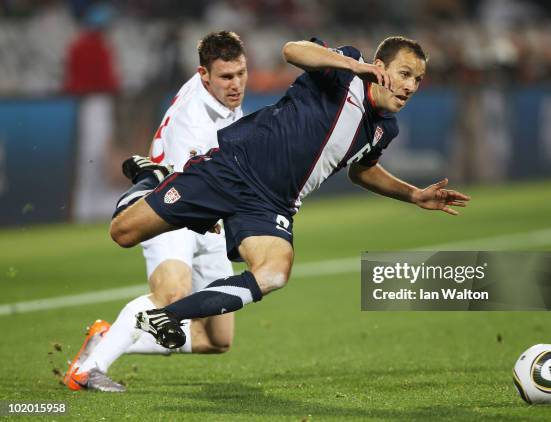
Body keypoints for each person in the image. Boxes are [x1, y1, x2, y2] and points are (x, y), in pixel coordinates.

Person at [110, 36, 471, 349]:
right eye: (404, 74)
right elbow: (293, 51)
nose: (410, 86)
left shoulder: (383, 129)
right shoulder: (345, 69)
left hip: (271, 205)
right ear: (380, 66)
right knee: (122, 233)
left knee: (274, 274)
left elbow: (363, 171)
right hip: (232, 168)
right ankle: (152, 176)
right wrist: (351, 65)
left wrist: (413, 195)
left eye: (418, 80)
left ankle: (164, 317)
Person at [64, 31, 248, 392]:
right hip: (171, 212)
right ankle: (87, 371)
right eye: (227, 76)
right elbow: (185, 192)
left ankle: (107, 337)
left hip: (209, 220)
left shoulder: (219, 93)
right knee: (170, 295)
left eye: (241, 73)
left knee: (216, 339)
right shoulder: (191, 121)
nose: (237, 84)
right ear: (204, 74)